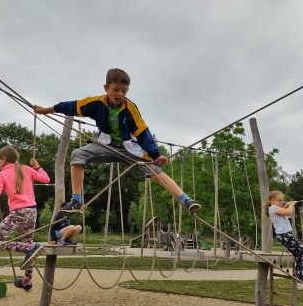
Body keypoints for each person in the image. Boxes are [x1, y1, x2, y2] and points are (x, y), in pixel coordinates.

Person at [33, 68, 201, 214]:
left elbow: (142, 132)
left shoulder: (130, 108)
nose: (120, 94)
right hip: (105, 145)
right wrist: (47, 110)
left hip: (129, 148)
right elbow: (70, 106)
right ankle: (76, 201)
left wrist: (155, 154)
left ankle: (186, 200)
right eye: (116, 90)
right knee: (77, 154)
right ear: (106, 88)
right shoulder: (96, 103)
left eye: (124, 91)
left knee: (154, 169)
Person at [0, 146, 50, 292]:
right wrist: (37, 167)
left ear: (4, 159)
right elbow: (46, 179)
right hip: (32, 212)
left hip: (18, 214)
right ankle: (27, 281)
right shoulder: (26, 169)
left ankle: (28, 248)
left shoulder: (1, 175)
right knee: (30, 251)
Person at [264, 190, 303, 290]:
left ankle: (301, 281)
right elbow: (288, 212)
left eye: (282, 200)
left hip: (284, 236)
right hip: (285, 236)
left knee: (299, 255)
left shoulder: (274, 209)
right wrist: (292, 204)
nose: (281, 202)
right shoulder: (273, 208)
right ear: (272, 200)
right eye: (280, 200)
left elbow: (285, 213)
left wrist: (287, 205)